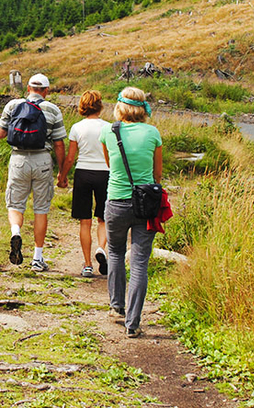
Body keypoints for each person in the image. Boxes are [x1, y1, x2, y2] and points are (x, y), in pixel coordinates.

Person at [98, 86, 162, 339]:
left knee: (114, 252)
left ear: (119, 106)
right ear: (143, 107)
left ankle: (117, 307)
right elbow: (157, 174)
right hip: (146, 203)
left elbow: (108, 164)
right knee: (139, 263)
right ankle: (133, 323)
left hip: (116, 201)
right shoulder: (153, 133)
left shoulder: (108, 131)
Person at [0, 73, 67, 272]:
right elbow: (59, 144)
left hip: (18, 160)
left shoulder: (13, 106)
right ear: (46, 91)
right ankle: (37, 258)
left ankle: (16, 232)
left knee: (15, 204)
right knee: (41, 209)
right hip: (42, 160)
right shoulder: (53, 109)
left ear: (28, 88)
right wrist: (62, 172)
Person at [57, 90, 109, 278]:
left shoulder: (77, 128)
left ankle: (87, 265)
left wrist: (62, 175)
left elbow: (71, 157)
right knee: (103, 218)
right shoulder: (109, 127)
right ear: (100, 105)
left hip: (83, 173)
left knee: (84, 221)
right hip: (105, 173)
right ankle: (101, 249)